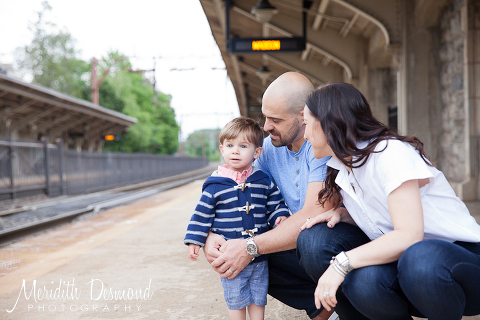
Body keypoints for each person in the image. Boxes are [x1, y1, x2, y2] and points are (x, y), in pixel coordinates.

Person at [299, 82, 480, 319]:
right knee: (362, 281)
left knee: (419, 256)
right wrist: (347, 215)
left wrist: (341, 263)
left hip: (460, 263)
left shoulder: (389, 152)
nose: (304, 134)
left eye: (306, 123)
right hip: (410, 268)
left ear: (327, 121)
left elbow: (408, 235)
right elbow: (389, 215)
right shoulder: (344, 169)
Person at [203, 72, 342, 320]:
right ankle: (325, 308)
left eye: (275, 119)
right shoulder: (266, 149)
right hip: (298, 244)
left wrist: (250, 247)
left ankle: (333, 305)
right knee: (233, 251)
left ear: (304, 115)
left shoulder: (321, 145)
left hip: (330, 243)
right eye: (266, 117)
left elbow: (315, 212)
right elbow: (238, 195)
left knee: (311, 241)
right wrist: (213, 233)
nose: (266, 127)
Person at [184, 117, 291, 320]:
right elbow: (201, 214)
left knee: (258, 296)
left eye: (243, 146)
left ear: (257, 152)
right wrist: (195, 240)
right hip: (229, 254)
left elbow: (275, 203)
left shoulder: (262, 180)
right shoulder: (215, 185)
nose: (235, 151)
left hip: (259, 255)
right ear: (222, 149)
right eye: (230, 145)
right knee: (236, 298)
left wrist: (280, 216)